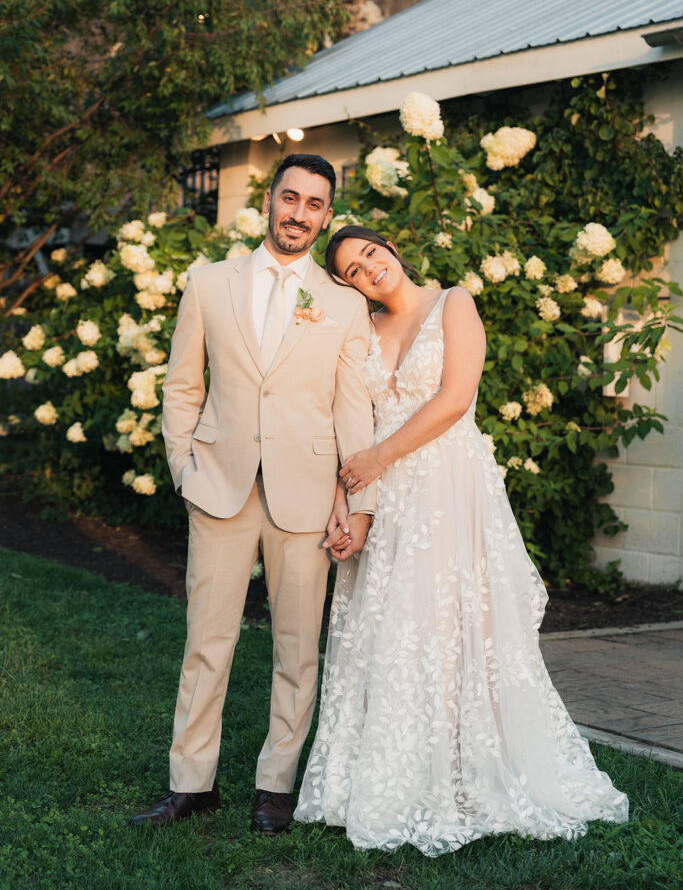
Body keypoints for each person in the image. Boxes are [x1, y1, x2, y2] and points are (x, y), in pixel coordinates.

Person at [294, 225, 629, 856]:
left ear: (390, 246)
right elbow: (348, 418)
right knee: (386, 632)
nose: (369, 270)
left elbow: (454, 399)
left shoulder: (454, 303)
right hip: (383, 496)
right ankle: (386, 777)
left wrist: (376, 458)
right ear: (347, 286)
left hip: (447, 486)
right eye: (353, 271)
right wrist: (347, 498)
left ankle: (464, 774)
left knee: (449, 627)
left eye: (371, 253)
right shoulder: (362, 332)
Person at [131, 157, 376, 833]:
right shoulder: (209, 283)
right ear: (268, 200)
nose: (299, 213)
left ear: (327, 216)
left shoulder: (345, 302)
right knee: (206, 641)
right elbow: (182, 383)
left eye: (314, 204)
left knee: (297, 649)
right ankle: (190, 782)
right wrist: (184, 466)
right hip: (221, 489)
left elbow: (351, 411)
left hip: (306, 496)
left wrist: (357, 504)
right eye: (289, 197)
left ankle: (275, 787)